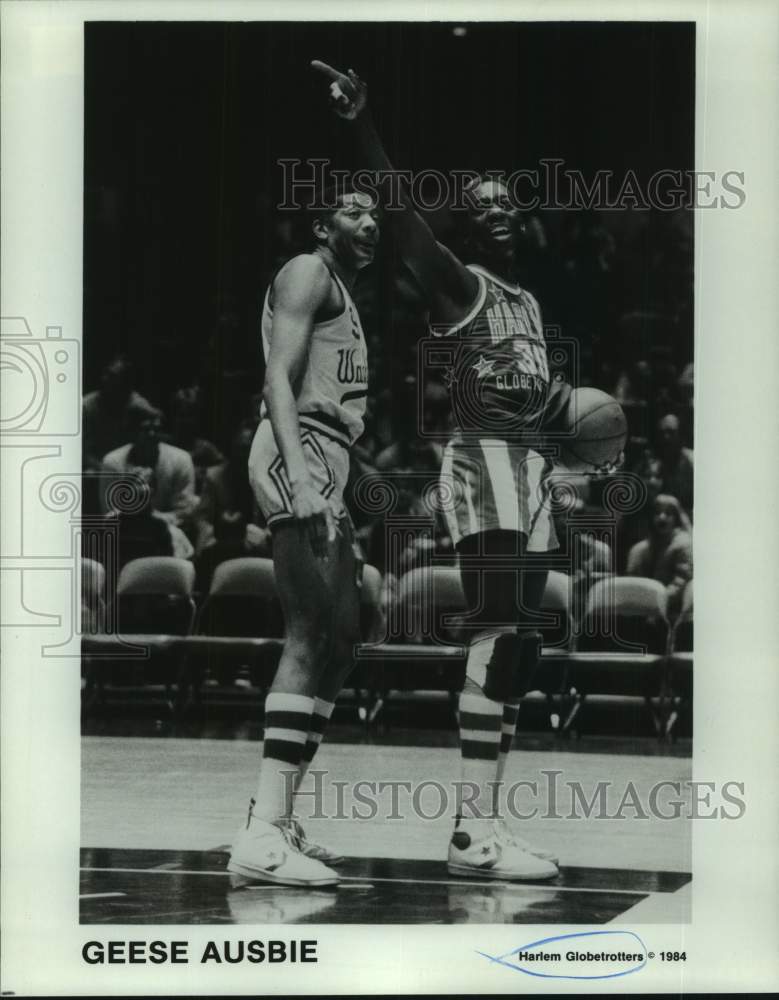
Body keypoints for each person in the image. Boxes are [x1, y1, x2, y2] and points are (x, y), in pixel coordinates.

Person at [311, 60, 623, 880]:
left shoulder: (526, 306)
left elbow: (548, 408)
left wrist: (583, 448)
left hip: (527, 472)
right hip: (481, 467)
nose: (499, 214)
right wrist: (361, 124)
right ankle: (469, 833)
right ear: (465, 223)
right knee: (497, 629)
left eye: (507, 204)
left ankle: (479, 825)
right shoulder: (459, 287)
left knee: (520, 644)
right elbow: (400, 205)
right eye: (482, 206)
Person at [227, 185, 380, 888]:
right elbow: (278, 382)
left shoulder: (342, 294)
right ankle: (259, 837)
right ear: (322, 225)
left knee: (347, 637)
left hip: (326, 456)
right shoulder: (307, 270)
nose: (369, 221)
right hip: (301, 454)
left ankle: (277, 816)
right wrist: (302, 475)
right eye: (353, 211)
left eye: (374, 212)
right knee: (309, 634)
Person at [100, 407, 198, 558]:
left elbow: (184, 513)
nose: (152, 434)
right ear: (132, 432)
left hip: (170, 533)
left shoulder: (181, 460)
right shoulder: (113, 462)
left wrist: (150, 518)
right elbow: (110, 514)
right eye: (145, 429)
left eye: (156, 429)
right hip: (124, 535)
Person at [626, 494, 692, 620]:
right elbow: (633, 580)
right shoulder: (639, 549)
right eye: (657, 513)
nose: (662, 517)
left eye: (668, 513)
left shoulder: (684, 544)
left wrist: (657, 603)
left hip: (674, 614)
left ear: (676, 518)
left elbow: (681, 582)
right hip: (644, 610)